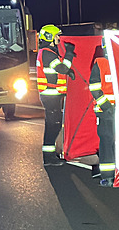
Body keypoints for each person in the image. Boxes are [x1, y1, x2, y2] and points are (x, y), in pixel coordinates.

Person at [36, 24, 76, 166]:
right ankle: (49, 158)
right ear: (49, 37)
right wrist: (70, 53)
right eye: (57, 36)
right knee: (54, 125)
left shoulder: (48, 52)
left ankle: (50, 156)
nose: (59, 38)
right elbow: (62, 68)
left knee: (53, 125)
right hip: (50, 95)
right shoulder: (47, 53)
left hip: (51, 95)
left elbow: (58, 70)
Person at [89, 36, 116, 187]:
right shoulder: (102, 64)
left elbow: (94, 87)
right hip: (109, 111)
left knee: (110, 143)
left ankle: (111, 175)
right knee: (110, 143)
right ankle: (111, 175)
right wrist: (108, 107)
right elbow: (94, 87)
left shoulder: (116, 63)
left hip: (113, 111)